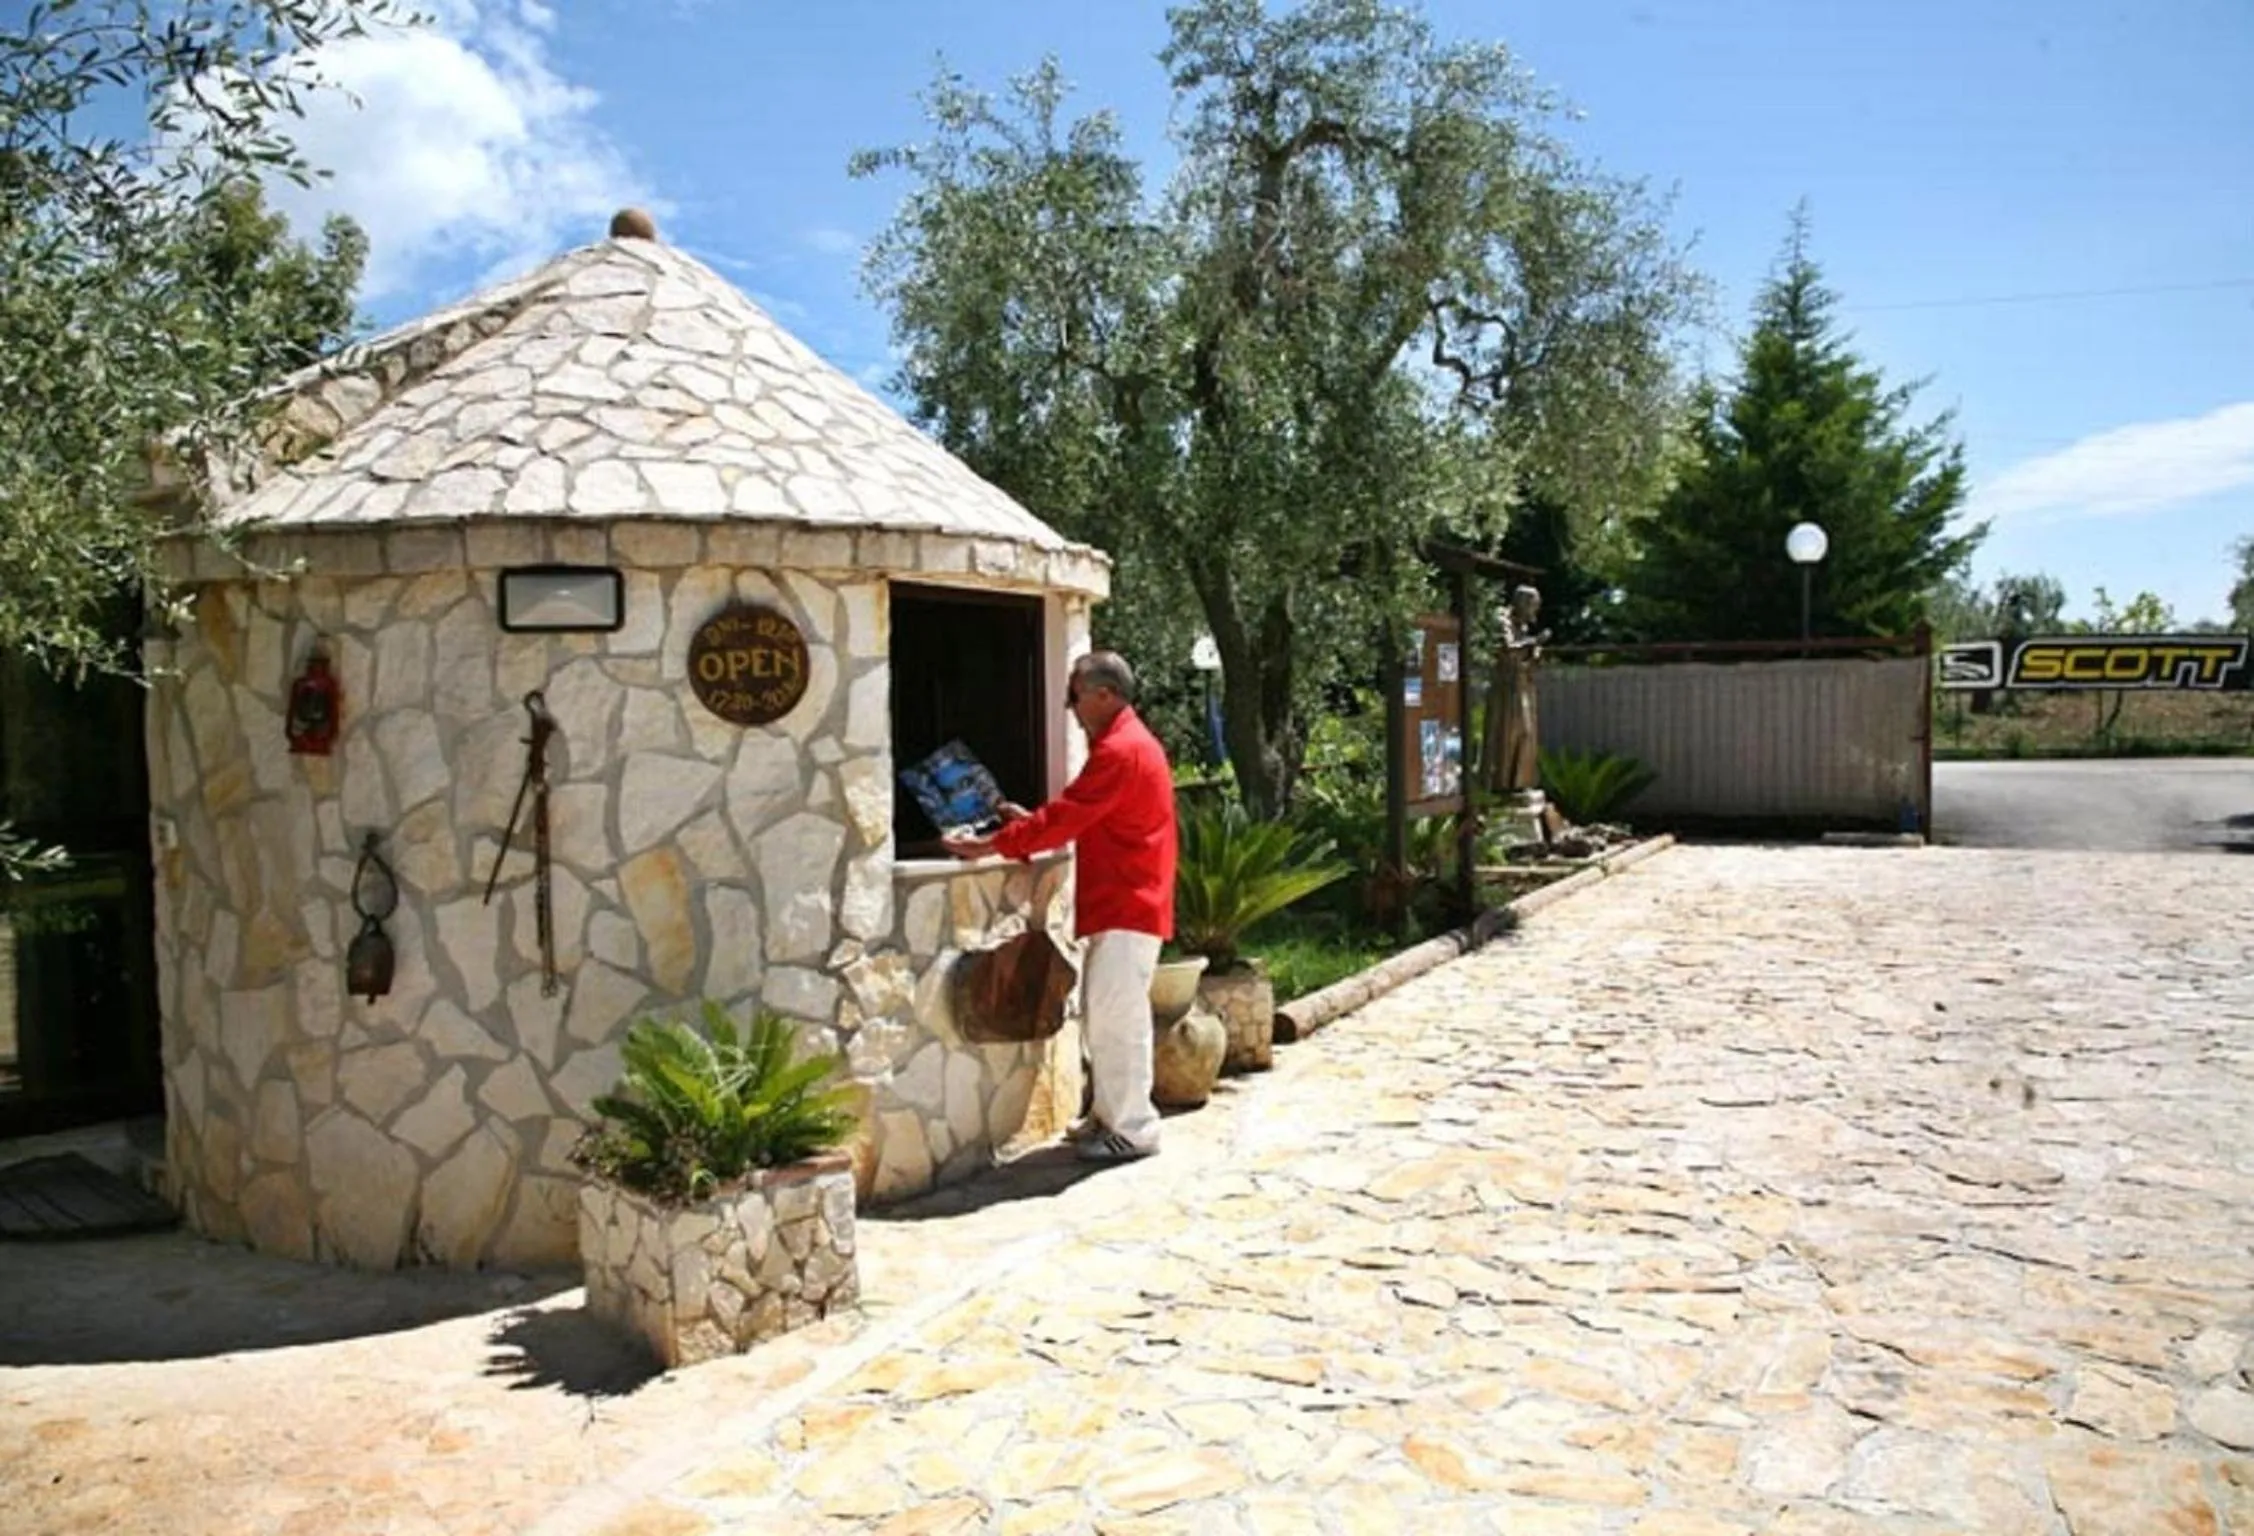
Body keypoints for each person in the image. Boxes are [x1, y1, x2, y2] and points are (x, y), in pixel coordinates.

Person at [946, 651, 1176, 1162]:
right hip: (1126, 903)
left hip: (1128, 904)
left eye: (1073, 696)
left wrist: (994, 843)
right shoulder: (1127, 746)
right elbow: (1081, 817)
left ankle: (1134, 1129)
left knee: (1116, 1020)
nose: (1069, 708)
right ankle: (1107, 1116)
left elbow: (1070, 816)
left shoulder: (1120, 751)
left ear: (1104, 695)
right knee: (1105, 1014)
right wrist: (1027, 825)